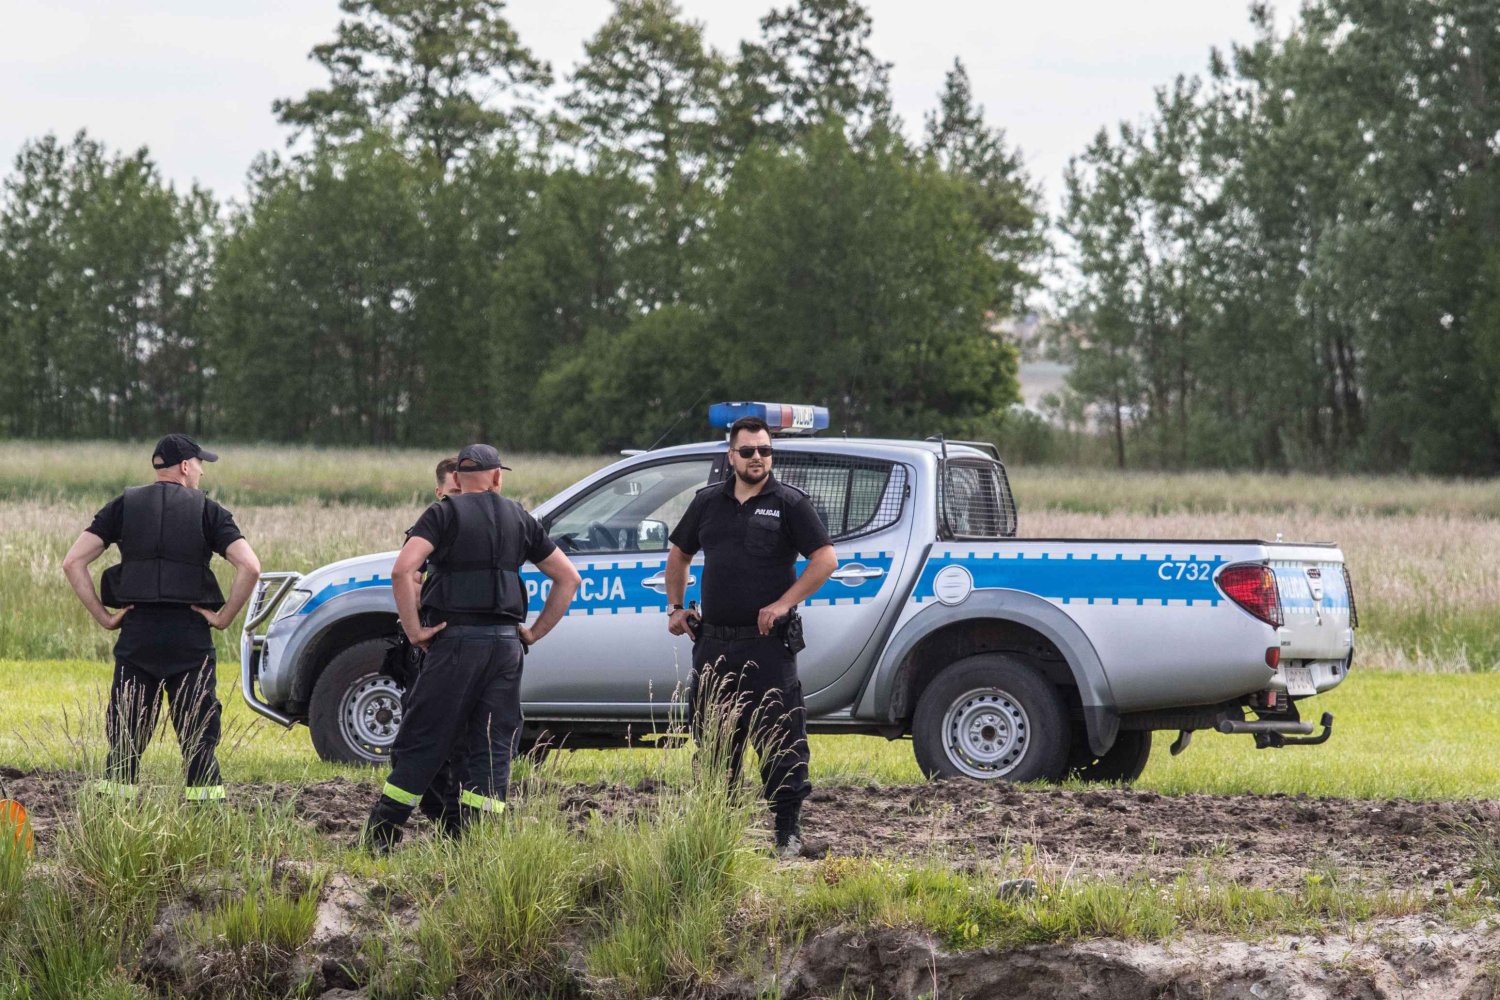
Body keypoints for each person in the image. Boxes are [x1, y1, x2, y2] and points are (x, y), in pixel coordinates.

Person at [362, 444, 581, 852]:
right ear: (497, 477)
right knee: (492, 745)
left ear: (457, 480)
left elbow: (402, 569)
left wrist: (414, 631)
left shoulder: (443, 513)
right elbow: (568, 578)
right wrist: (532, 633)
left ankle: (380, 838)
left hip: (455, 642)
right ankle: (477, 846)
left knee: (424, 737)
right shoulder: (521, 518)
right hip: (505, 648)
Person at [664, 415, 837, 858]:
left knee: (779, 739)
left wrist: (784, 603)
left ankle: (787, 834)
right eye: (748, 451)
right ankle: (715, 836)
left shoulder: (789, 503)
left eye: (764, 450)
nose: (757, 458)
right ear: (731, 456)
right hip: (714, 646)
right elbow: (679, 554)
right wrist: (676, 607)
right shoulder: (707, 503)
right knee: (714, 741)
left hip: (767, 647)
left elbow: (825, 560)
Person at [61, 434, 262, 802]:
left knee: (125, 744)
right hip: (190, 637)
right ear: (185, 466)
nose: (201, 472)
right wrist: (223, 618)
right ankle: (207, 826)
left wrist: (105, 617)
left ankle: (114, 822)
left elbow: (72, 562)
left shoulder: (123, 506)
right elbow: (250, 566)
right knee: (199, 743)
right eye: (200, 464)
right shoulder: (208, 510)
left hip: (137, 636)